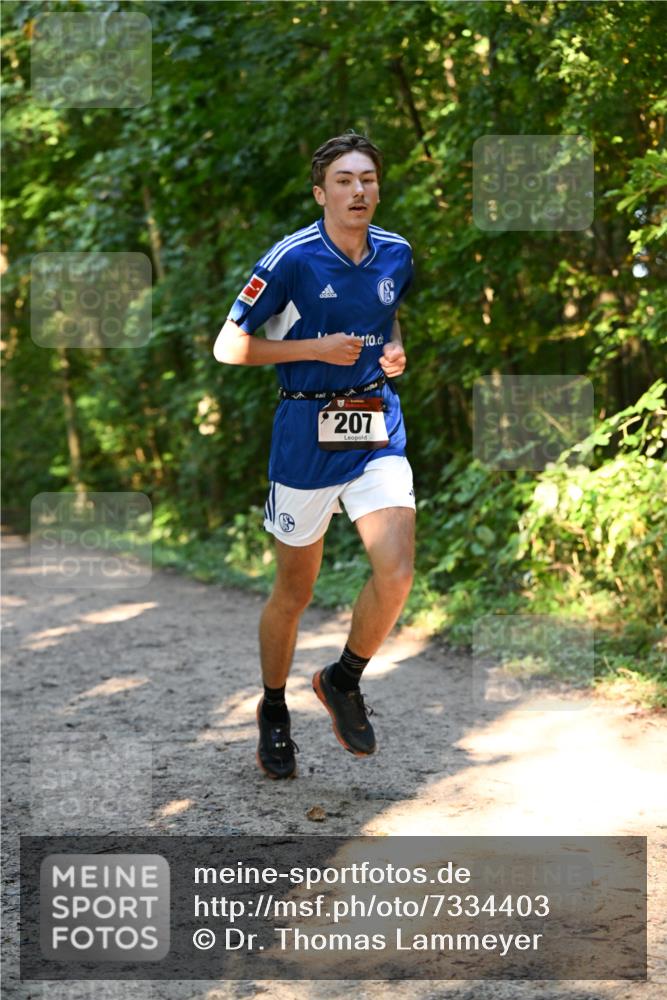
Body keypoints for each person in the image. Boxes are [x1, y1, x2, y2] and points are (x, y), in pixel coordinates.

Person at [214, 132, 415, 779]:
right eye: (345, 180)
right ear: (320, 193)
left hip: (374, 421)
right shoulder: (291, 259)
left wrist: (391, 353)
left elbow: (388, 318)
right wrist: (313, 348)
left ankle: (342, 678)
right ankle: (273, 709)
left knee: (396, 570)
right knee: (294, 591)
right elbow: (228, 347)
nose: (359, 190)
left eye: (368, 179)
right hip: (305, 430)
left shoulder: (396, 254)